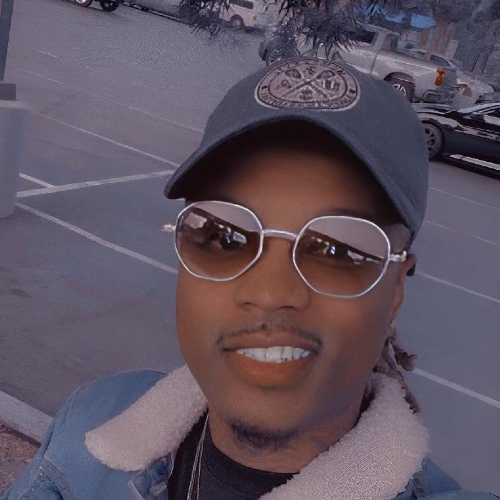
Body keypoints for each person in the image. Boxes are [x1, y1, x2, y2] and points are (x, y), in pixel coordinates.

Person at [2, 58, 498, 500]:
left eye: (338, 249)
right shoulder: (95, 417)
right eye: (223, 235)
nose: (269, 292)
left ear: (396, 294)